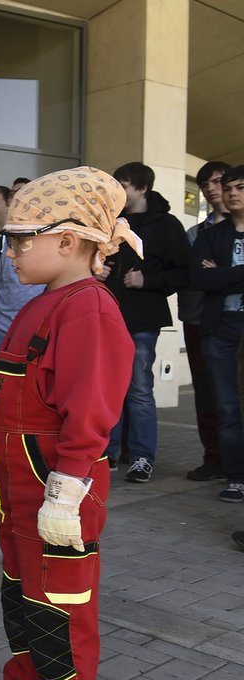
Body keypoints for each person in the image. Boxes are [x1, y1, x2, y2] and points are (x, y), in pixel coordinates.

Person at [0, 166, 136, 680]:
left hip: (57, 495)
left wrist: (65, 491)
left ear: (69, 240)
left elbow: (90, 411)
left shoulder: (89, 309)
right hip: (20, 495)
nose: (9, 249)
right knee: (23, 596)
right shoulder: (46, 304)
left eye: (22, 237)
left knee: (60, 607)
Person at [102, 162, 190, 483]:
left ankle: (141, 457)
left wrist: (147, 279)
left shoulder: (165, 225)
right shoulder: (110, 222)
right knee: (110, 388)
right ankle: (108, 453)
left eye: (123, 185)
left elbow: (182, 271)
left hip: (142, 318)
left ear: (142, 189)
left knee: (138, 388)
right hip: (108, 316)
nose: (118, 191)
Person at [189, 164, 244, 503]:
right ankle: (236, 477)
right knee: (226, 407)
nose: (233, 193)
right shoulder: (210, 235)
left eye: (240, 187)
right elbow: (200, 279)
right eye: (229, 188)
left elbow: (214, 278)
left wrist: (223, 273)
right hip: (220, 331)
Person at [181, 160, 230, 481]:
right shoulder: (195, 233)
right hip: (198, 321)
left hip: (233, 321)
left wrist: (221, 274)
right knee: (206, 393)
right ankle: (213, 458)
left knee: (232, 395)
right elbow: (193, 277)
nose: (211, 189)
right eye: (204, 184)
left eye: (217, 182)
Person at [0, 185, 44, 354]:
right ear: (9, 203)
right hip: (2, 330)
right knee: (2, 380)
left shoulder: (47, 239)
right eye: (14, 196)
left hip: (39, 329)